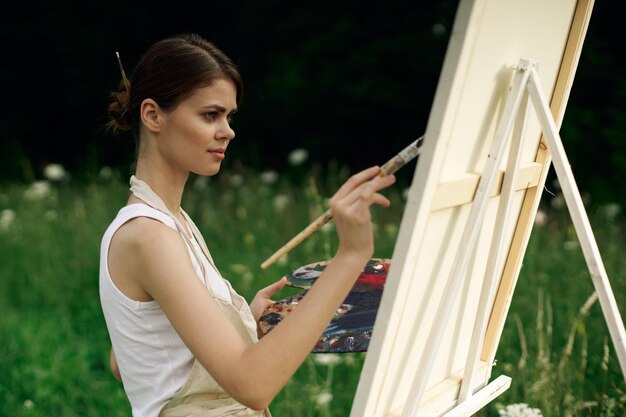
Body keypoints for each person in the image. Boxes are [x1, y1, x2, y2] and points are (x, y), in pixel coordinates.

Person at [100, 32, 396, 417]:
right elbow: (252, 386)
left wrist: (239, 323)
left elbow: (126, 361)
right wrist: (351, 255)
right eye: (210, 115)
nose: (228, 130)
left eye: (229, 116)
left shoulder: (172, 222)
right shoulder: (148, 235)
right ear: (153, 115)